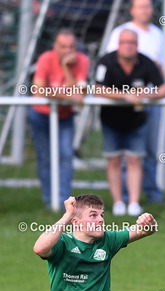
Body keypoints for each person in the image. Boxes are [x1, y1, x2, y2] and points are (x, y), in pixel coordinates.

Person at [95, 29, 165, 216]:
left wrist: (147, 94)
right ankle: (118, 203)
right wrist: (124, 96)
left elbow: (164, 89)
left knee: (134, 160)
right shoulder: (106, 61)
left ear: (137, 45)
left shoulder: (146, 62)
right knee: (113, 160)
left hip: (137, 120)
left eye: (132, 43)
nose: (128, 46)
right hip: (111, 120)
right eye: (124, 42)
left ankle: (134, 203)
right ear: (118, 44)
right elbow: (97, 89)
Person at [106, 0, 165, 204]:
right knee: (125, 154)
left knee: (149, 150)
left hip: (149, 101)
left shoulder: (158, 34)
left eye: (148, 6)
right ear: (132, 10)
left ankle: (151, 193)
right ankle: (123, 198)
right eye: (141, 6)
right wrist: (125, 95)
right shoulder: (120, 32)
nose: (145, 10)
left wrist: (152, 93)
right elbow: (112, 65)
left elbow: (160, 69)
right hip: (125, 104)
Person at [29, 29, 89, 210]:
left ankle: (64, 202)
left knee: (66, 156)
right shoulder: (45, 58)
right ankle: (49, 200)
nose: (68, 50)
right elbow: (38, 90)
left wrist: (65, 67)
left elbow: (79, 94)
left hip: (65, 116)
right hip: (40, 115)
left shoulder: (82, 60)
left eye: (71, 46)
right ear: (55, 46)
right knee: (45, 158)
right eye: (63, 46)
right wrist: (67, 96)